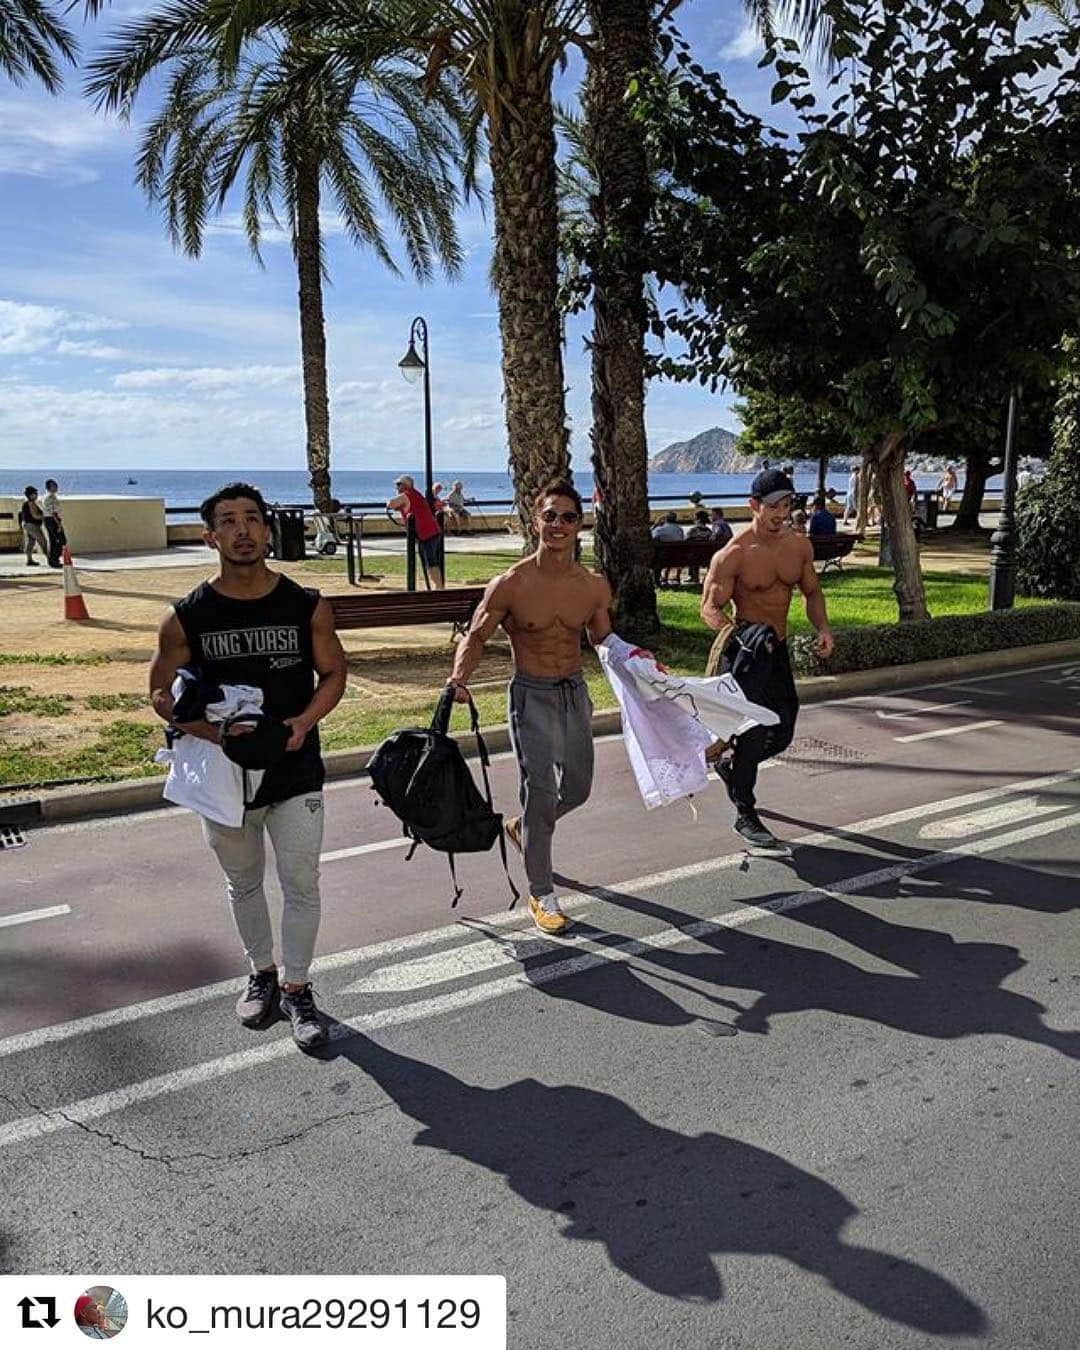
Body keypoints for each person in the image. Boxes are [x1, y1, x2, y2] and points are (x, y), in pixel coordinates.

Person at [149, 482, 347, 1049]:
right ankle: (260, 974)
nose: (243, 530)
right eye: (229, 521)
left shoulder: (306, 605)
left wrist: (304, 723)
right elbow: (159, 692)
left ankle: (298, 988)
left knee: (302, 882)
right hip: (222, 776)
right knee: (243, 883)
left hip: (294, 769)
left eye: (253, 519)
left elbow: (334, 673)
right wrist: (215, 734)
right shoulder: (187, 616)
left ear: (268, 529)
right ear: (210, 535)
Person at [446, 481, 611, 934]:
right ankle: (542, 894)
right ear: (535, 519)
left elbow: (603, 641)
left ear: (580, 525)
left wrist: (643, 668)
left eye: (568, 517)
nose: (558, 525)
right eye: (550, 516)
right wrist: (459, 677)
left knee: (577, 790)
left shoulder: (593, 586)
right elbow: (476, 635)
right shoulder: (512, 583)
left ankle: (525, 828)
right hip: (531, 696)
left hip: (573, 693)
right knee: (540, 791)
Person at [700, 468, 834, 851]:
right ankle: (745, 812)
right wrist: (737, 636)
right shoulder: (734, 555)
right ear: (754, 506)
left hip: (778, 651)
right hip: (745, 655)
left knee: (783, 730)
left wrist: (823, 626)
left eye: (787, 505)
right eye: (774, 506)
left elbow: (811, 592)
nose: (781, 513)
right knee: (753, 731)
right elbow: (709, 608)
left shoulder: (799, 547)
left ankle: (733, 767)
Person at [388, 474, 444, 589]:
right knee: (431, 562)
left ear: (405, 485)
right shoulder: (415, 494)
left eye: (399, 485)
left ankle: (437, 588)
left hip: (426, 533)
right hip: (432, 531)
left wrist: (390, 504)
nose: (396, 488)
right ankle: (436, 587)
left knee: (431, 562)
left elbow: (391, 503)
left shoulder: (406, 495)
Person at [651, 510, 684, 587]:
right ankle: (676, 578)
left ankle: (656, 581)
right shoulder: (679, 529)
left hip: (663, 558)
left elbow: (651, 536)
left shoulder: (660, 529)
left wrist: (655, 525)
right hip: (677, 557)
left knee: (656, 558)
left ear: (666, 520)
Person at [18, 486, 48, 567]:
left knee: (31, 542)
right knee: (43, 541)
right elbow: (35, 515)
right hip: (32, 525)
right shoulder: (31, 503)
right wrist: (44, 516)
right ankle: (50, 559)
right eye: (35, 493)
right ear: (31, 495)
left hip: (27, 525)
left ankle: (29, 560)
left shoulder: (27, 503)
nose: (37, 495)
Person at [40, 478, 65, 567]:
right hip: (51, 520)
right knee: (59, 540)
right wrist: (58, 522)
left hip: (51, 519)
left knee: (55, 540)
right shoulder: (49, 497)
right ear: (49, 487)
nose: (56, 487)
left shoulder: (52, 497)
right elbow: (52, 511)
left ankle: (54, 560)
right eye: (54, 485)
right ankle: (54, 560)